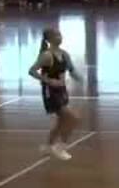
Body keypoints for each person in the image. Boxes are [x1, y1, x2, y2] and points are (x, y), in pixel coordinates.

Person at [27, 27, 81, 161]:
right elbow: (32, 71)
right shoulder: (46, 55)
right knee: (72, 119)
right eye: (56, 35)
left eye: (60, 35)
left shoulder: (64, 54)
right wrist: (48, 80)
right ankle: (60, 147)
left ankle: (48, 146)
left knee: (62, 121)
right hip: (50, 92)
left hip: (62, 91)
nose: (59, 37)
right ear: (49, 39)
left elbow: (72, 70)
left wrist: (80, 79)